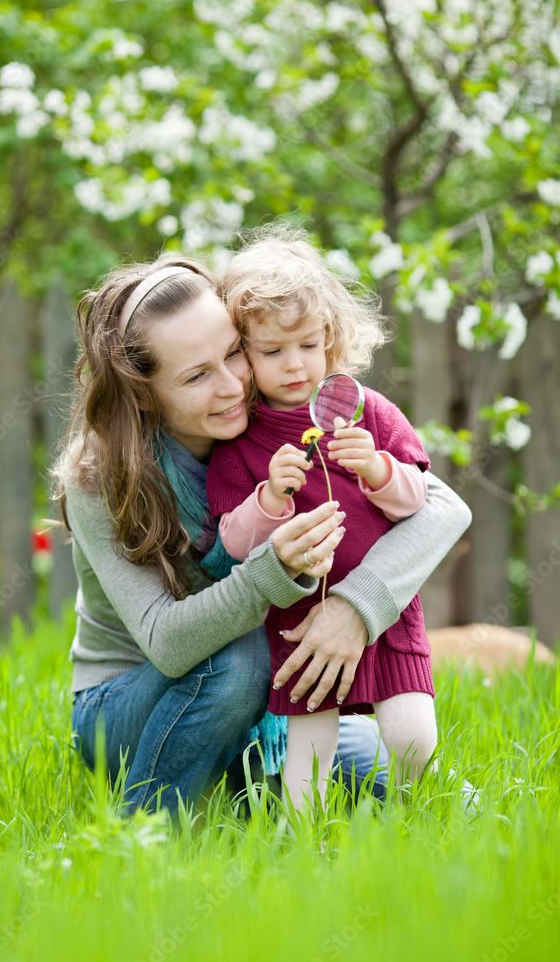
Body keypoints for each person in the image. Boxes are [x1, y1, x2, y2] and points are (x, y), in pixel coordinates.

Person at [51, 252, 472, 819]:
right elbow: (168, 643)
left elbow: (442, 507)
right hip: (127, 701)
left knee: (419, 783)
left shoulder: (280, 412)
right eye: (198, 376)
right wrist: (272, 573)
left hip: (262, 698)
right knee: (242, 656)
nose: (231, 386)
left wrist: (355, 607)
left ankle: (244, 793)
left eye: (233, 354)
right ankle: (147, 837)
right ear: (144, 394)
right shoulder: (101, 475)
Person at [207, 227, 445, 813]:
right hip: (301, 623)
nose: (294, 366)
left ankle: (408, 821)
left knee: (413, 738)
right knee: (307, 758)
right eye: (271, 352)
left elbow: (419, 502)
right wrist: (269, 500)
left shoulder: (368, 410)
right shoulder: (244, 441)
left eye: (308, 346)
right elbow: (234, 543)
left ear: (331, 340)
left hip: (385, 614)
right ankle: (301, 844)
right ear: (242, 354)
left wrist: (380, 470)